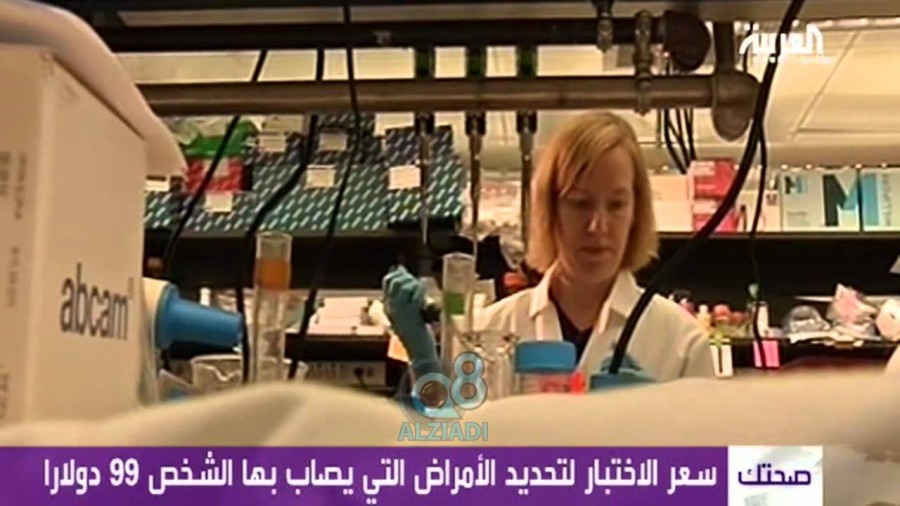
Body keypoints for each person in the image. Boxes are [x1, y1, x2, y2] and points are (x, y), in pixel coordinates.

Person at [383, 111, 715, 383]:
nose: (597, 226)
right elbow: (454, 442)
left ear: (636, 212)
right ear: (550, 210)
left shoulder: (681, 343)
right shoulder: (490, 331)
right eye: (580, 203)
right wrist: (424, 361)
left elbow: (707, 448)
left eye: (616, 205)